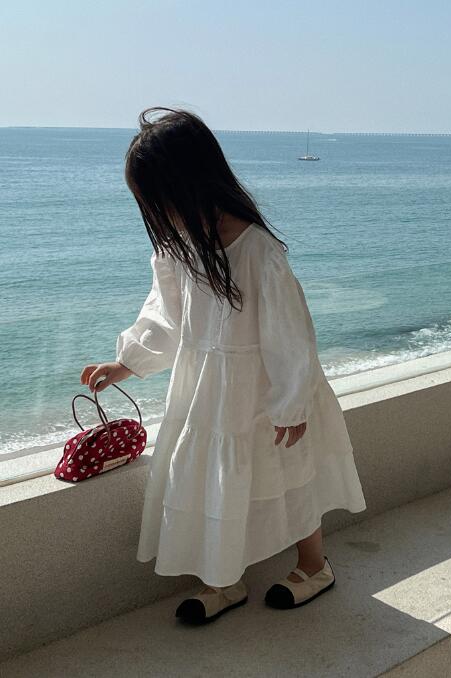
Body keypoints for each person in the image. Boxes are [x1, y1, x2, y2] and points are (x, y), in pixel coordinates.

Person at [80, 107, 367, 624]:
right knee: (214, 480)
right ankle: (222, 579)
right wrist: (127, 362)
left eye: (161, 199)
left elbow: (291, 335)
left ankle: (314, 566)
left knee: (290, 474)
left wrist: (291, 402)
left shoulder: (258, 250)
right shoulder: (177, 249)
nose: (159, 212)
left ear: (190, 182)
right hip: (207, 392)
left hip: (265, 391)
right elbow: (165, 315)